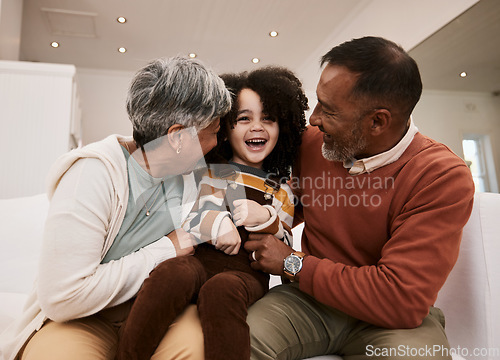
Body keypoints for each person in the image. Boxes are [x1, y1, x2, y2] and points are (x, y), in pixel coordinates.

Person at [244, 36, 475, 359]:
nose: (314, 120)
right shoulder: (312, 144)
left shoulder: (440, 175)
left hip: (390, 319)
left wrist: (291, 262)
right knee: (233, 340)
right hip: (307, 302)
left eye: (330, 110)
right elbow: (274, 206)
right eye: (318, 101)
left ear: (378, 121)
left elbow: (399, 299)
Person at [0, 56, 231, 360]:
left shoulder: (190, 177)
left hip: (153, 310)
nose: (217, 141)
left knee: (201, 346)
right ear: (177, 136)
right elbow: (64, 298)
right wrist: (164, 250)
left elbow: (215, 214)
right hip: (80, 319)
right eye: (212, 131)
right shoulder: (92, 174)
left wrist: (222, 218)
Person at [114, 66, 308, 360]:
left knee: (223, 289)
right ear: (225, 128)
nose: (257, 127)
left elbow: (284, 242)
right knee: (171, 272)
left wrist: (265, 219)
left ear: (283, 128)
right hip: (199, 261)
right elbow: (188, 214)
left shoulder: (281, 188)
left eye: (268, 119)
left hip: (244, 275)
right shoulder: (206, 173)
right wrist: (216, 222)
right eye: (244, 119)